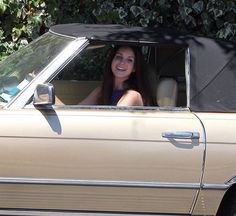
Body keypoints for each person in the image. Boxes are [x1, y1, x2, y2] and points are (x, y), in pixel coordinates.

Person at [79, 45, 153, 106]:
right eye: (119, 57)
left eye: (129, 60)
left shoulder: (133, 95)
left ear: (134, 68)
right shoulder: (101, 91)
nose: (122, 63)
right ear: (112, 60)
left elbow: (113, 120)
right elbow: (77, 110)